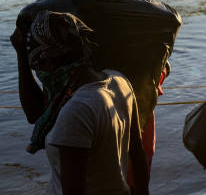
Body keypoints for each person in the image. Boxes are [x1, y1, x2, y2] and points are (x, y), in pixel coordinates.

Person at [11, 11, 149, 195]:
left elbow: (73, 189)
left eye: (39, 67)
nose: (41, 74)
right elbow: (138, 155)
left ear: (49, 64)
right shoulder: (118, 81)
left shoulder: (77, 110)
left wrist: (22, 56)